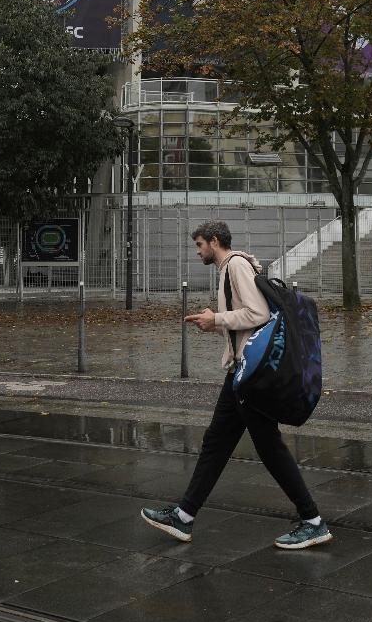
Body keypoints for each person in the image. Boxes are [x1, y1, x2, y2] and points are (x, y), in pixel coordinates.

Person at [140, 220, 332, 550]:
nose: (197, 250)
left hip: (249, 374)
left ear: (215, 242)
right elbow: (244, 320)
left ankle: (313, 521)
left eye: (199, 244)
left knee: (268, 447)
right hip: (240, 372)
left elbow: (256, 313)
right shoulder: (232, 267)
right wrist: (215, 323)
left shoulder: (235, 266)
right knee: (217, 442)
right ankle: (184, 517)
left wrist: (217, 319)